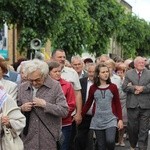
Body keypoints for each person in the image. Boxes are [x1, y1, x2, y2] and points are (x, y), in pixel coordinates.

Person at [17, 59, 68, 150]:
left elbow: (64, 111)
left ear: (44, 75)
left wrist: (45, 105)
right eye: (31, 80)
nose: (34, 83)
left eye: (37, 80)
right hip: (28, 140)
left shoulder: (55, 86)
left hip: (48, 139)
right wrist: (21, 108)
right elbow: (14, 112)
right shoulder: (22, 87)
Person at [82, 63, 123, 150]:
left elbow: (117, 103)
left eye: (107, 71)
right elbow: (88, 103)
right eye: (103, 72)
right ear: (98, 74)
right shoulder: (93, 88)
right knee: (101, 146)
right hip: (97, 120)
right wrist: (80, 115)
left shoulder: (113, 87)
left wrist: (120, 119)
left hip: (111, 119)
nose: (106, 74)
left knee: (110, 140)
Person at [51, 49, 82, 150]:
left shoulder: (72, 73)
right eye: (60, 57)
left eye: (64, 57)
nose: (62, 59)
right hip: (50, 119)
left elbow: (77, 94)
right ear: (52, 58)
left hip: (68, 117)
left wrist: (78, 113)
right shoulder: (45, 73)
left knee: (66, 144)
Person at [122, 56, 150, 150]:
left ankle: (143, 147)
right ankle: (133, 145)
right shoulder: (129, 73)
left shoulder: (149, 73)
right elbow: (124, 87)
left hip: (145, 105)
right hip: (132, 105)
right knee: (132, 128)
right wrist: (134, 88)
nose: (142, 64)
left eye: (143, 62)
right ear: (135, 64)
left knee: (144, 129)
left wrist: (143, 89)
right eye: (139, 63)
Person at [48, 61, 76, 150]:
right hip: (49, 123)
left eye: (59, 71)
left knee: (63, 147)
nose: (58, 73)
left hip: (64, 123)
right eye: (55, 71)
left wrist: (61, 114)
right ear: (49, 73)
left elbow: (71, 104)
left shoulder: (67, 85)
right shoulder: (45, 85)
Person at [75, 63, 96, 150]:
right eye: (89, 71)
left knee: (98, 139)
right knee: (81, 137)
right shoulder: (81, 82)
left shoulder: (102, 83)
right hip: (84, 115)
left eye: (93, 72)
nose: (91, 74)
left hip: (98, 115)